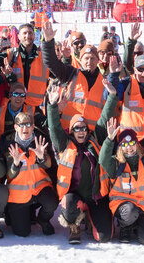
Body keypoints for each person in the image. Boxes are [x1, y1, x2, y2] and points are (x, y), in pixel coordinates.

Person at [47, 76, 116, 244]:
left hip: (95, 196)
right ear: (72, 131)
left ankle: (90, 217)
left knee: (104, 237)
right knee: (69, 202)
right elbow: (54, 128)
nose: (81, 131)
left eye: (83, 128)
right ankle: (74, 225)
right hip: (74, 197)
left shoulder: (95, 141)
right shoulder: (64, 144)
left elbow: (104, 118)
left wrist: (112, 96)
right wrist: (52, 106)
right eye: (77, 129)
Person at [99, 120, 144, 245]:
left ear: (137, 144)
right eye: (124, 144)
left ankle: (137, 225)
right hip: (124, 206)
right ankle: (125, 226)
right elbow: (103, 160)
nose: (129, 147)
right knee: (131, 211)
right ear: (120, 147)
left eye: (132, 143)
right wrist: (109, 139)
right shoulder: (116, 163)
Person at [2, 111, 57, 236]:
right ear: (15, 127)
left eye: (28, 125)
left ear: (33, 127)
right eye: (21, 125)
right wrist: (15, 164)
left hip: (39, 188)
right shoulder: (8, 144)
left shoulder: (40, 140)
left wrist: (42, 157)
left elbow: (49, 165)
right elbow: (9, 175)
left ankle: (43, 220)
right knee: (22, 233)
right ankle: (15, 212)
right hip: (19, 194)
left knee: (52, 203)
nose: (25, 128)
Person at [41, 21, 106, 127]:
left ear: (98, 60)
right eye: (86, 58)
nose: (89, 61)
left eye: (92, 58)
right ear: (81, 60)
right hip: (68, 129)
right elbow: (51, 63)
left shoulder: (104, 81)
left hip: (92, 132)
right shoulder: (70, 74)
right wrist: (48, 42)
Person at [0, 23, 49, 108]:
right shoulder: (11, 54)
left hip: (35, 106)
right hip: (14, 106)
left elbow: (58, 72)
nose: (27, 36)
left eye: (30, 33)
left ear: (34, 36)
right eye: (24, 33)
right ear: (19, 36)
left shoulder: (44, 57)